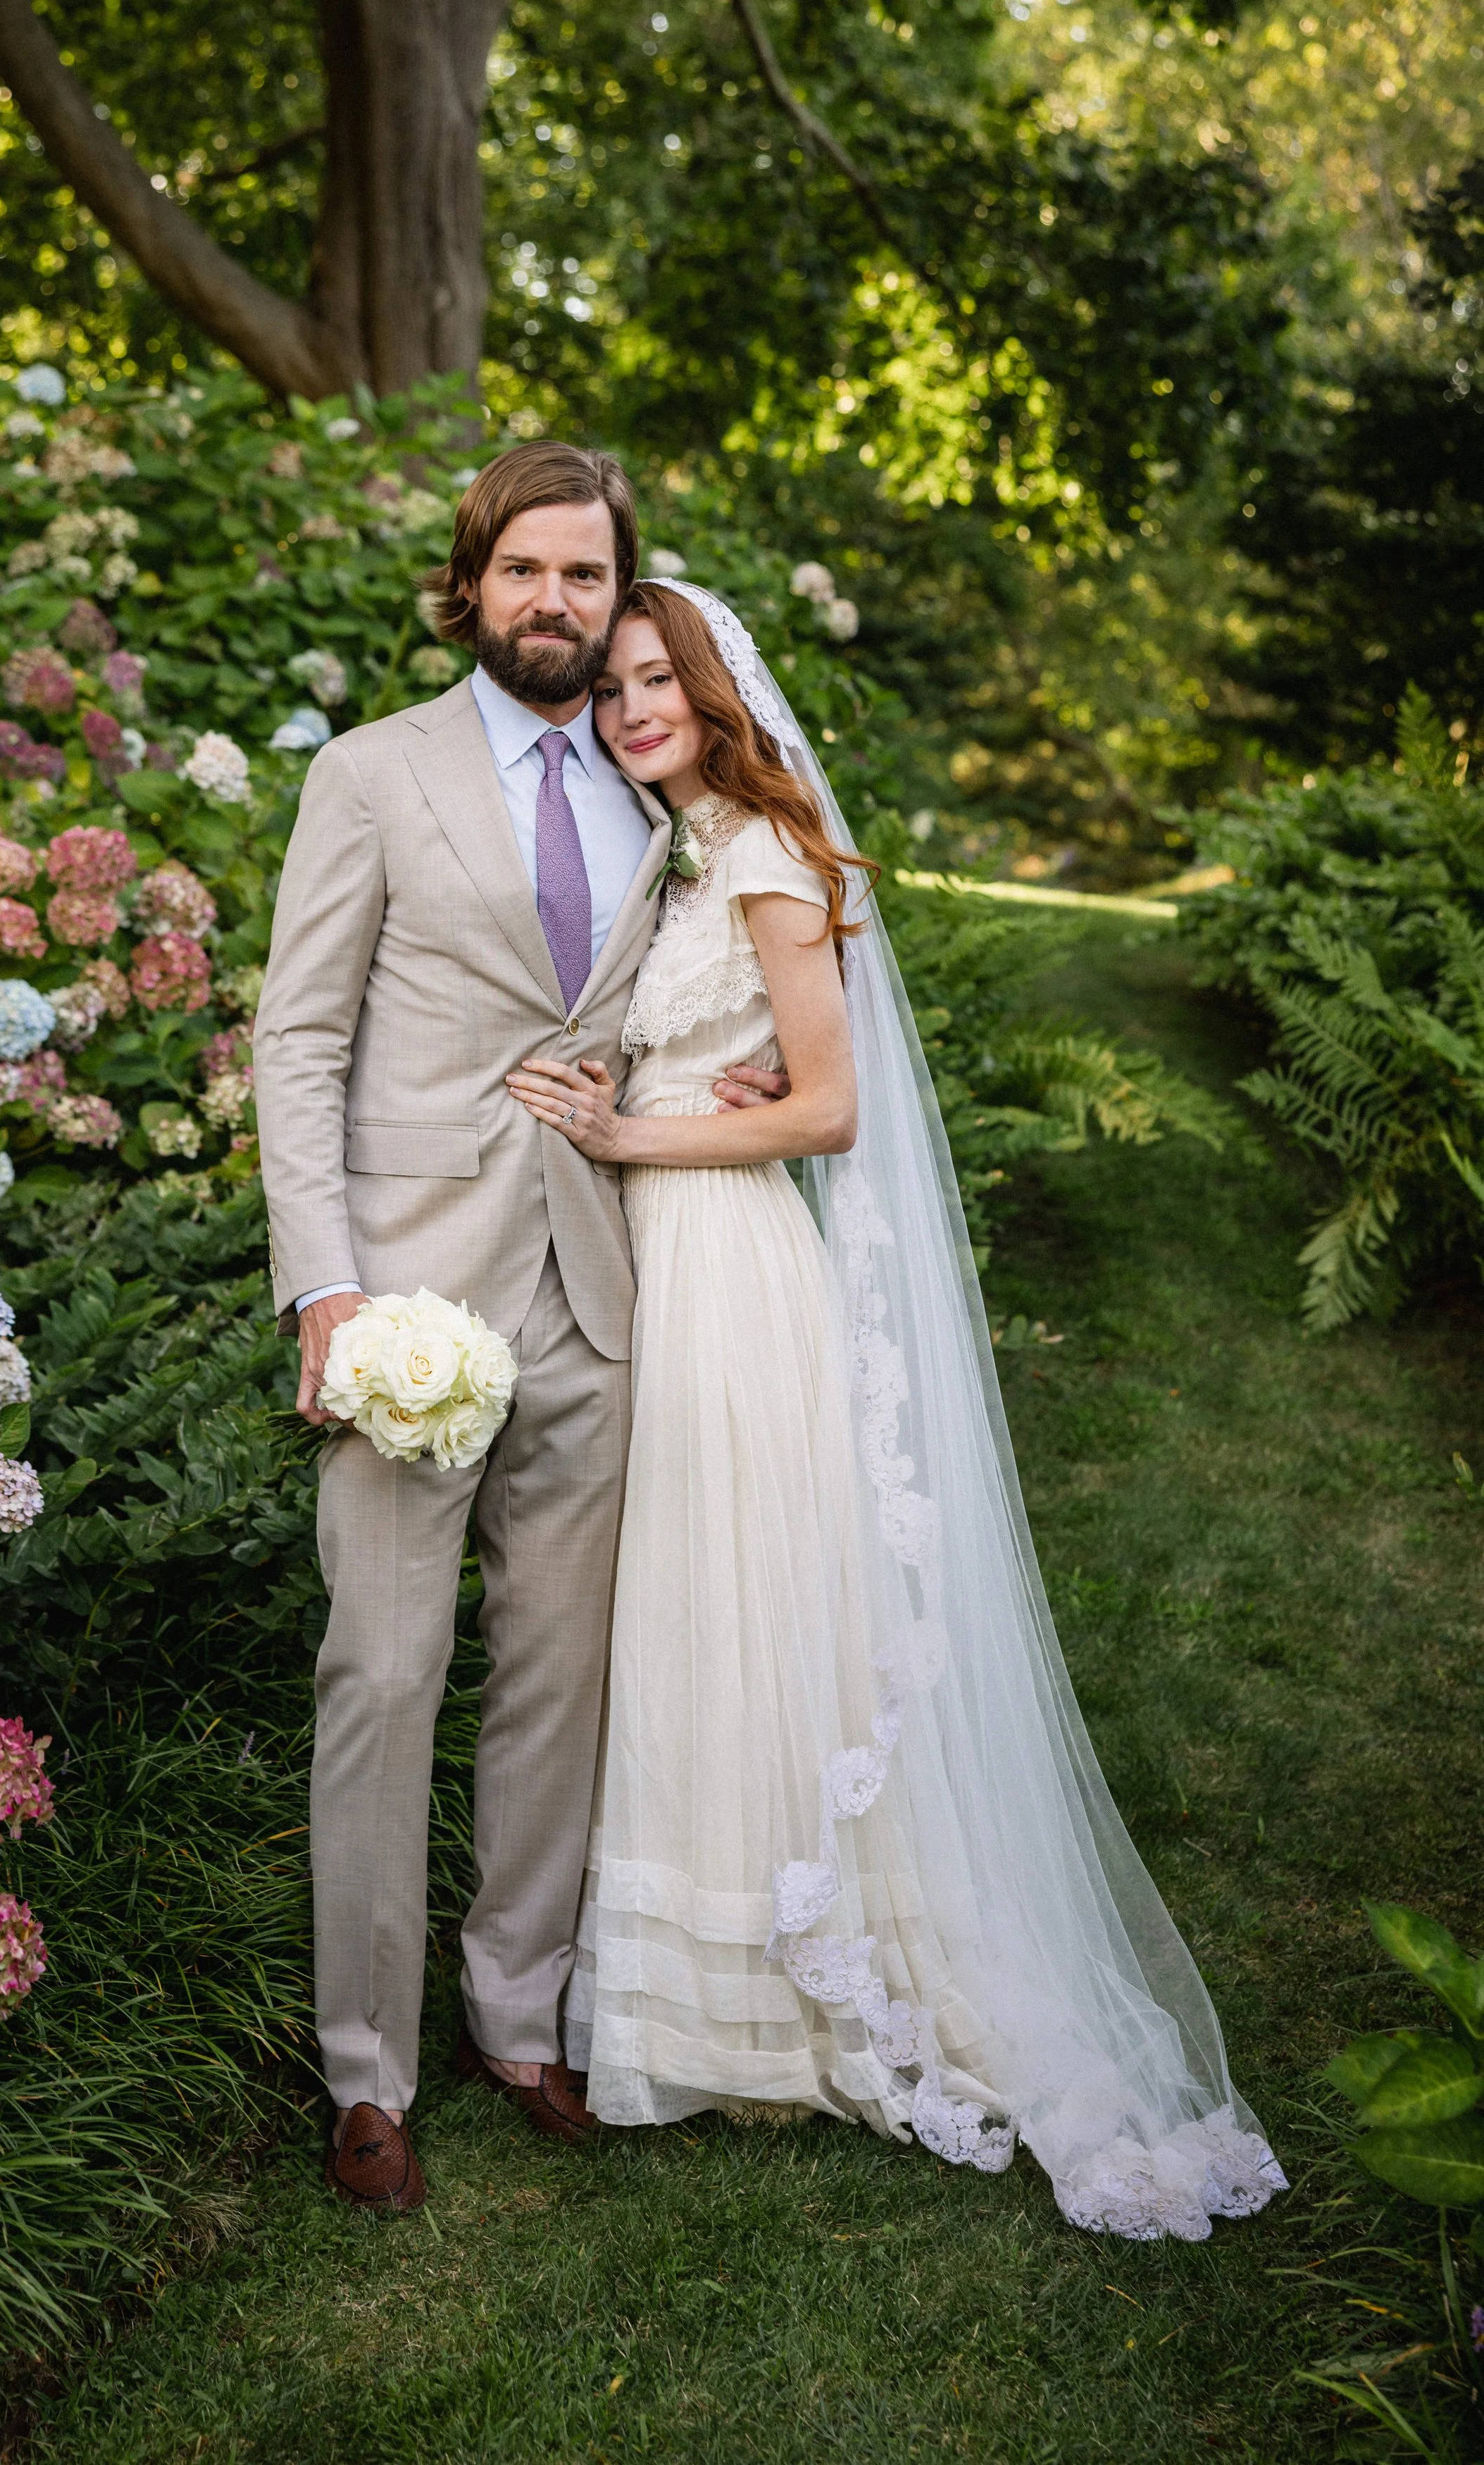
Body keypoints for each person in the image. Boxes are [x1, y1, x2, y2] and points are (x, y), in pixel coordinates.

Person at [506, 579, 1288, 2240]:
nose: (637, 707)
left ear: (720, 696)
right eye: (622, 686)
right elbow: (756, 1073)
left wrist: (637, 1134)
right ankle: (698, 2007)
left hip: (728, 1276)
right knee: (697, 1612)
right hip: (675, 1256)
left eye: (665, 679)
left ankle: (785, 1994)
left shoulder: (775, 865)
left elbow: (835, 1105)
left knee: (737, 1604)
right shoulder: (688, 859)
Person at [253, 447, 773, 2215]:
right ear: (472, 580)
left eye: (584, 575)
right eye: (524, 570)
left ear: (615, 591)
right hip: (405, 1303)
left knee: (560, 1678)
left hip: (599, 1287)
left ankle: (520, 2016)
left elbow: (687, 996)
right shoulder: (368, 774)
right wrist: (323, 1288)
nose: (553, 600)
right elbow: (298, 1042)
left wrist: (733, 1076)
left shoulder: (658, 785)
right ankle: (365, 2072)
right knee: (383, 1679)